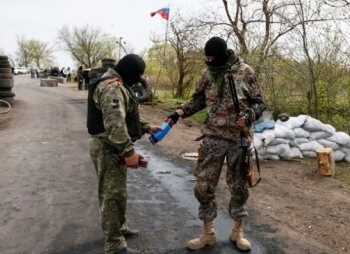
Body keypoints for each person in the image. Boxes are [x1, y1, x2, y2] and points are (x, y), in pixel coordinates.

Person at [166, 37, 266, 252]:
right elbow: (198, 100)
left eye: (212, 57)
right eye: (207, 58)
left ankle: (238, 230)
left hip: (237, 139)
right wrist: (178, 113)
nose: (208, 61)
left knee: (238, 188)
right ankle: (208, 232)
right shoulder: (208, 73)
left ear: (221, 55)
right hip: (212, 138)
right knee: (203, 187)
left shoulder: (245, 71)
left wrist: (249, 115)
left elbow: (260, 103)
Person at [87, 54, 160, 254]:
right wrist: (129, 152)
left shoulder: (118, 84)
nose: (138, 80)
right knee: (111, 194)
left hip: (112, 146)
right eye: (138, 75)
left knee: (118, 192)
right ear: (130, 73)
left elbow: (125, 116)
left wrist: (146, 127)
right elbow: (115, 125)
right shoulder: (112, 87)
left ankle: (119, 228)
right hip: (108, 147)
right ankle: (114, 244)